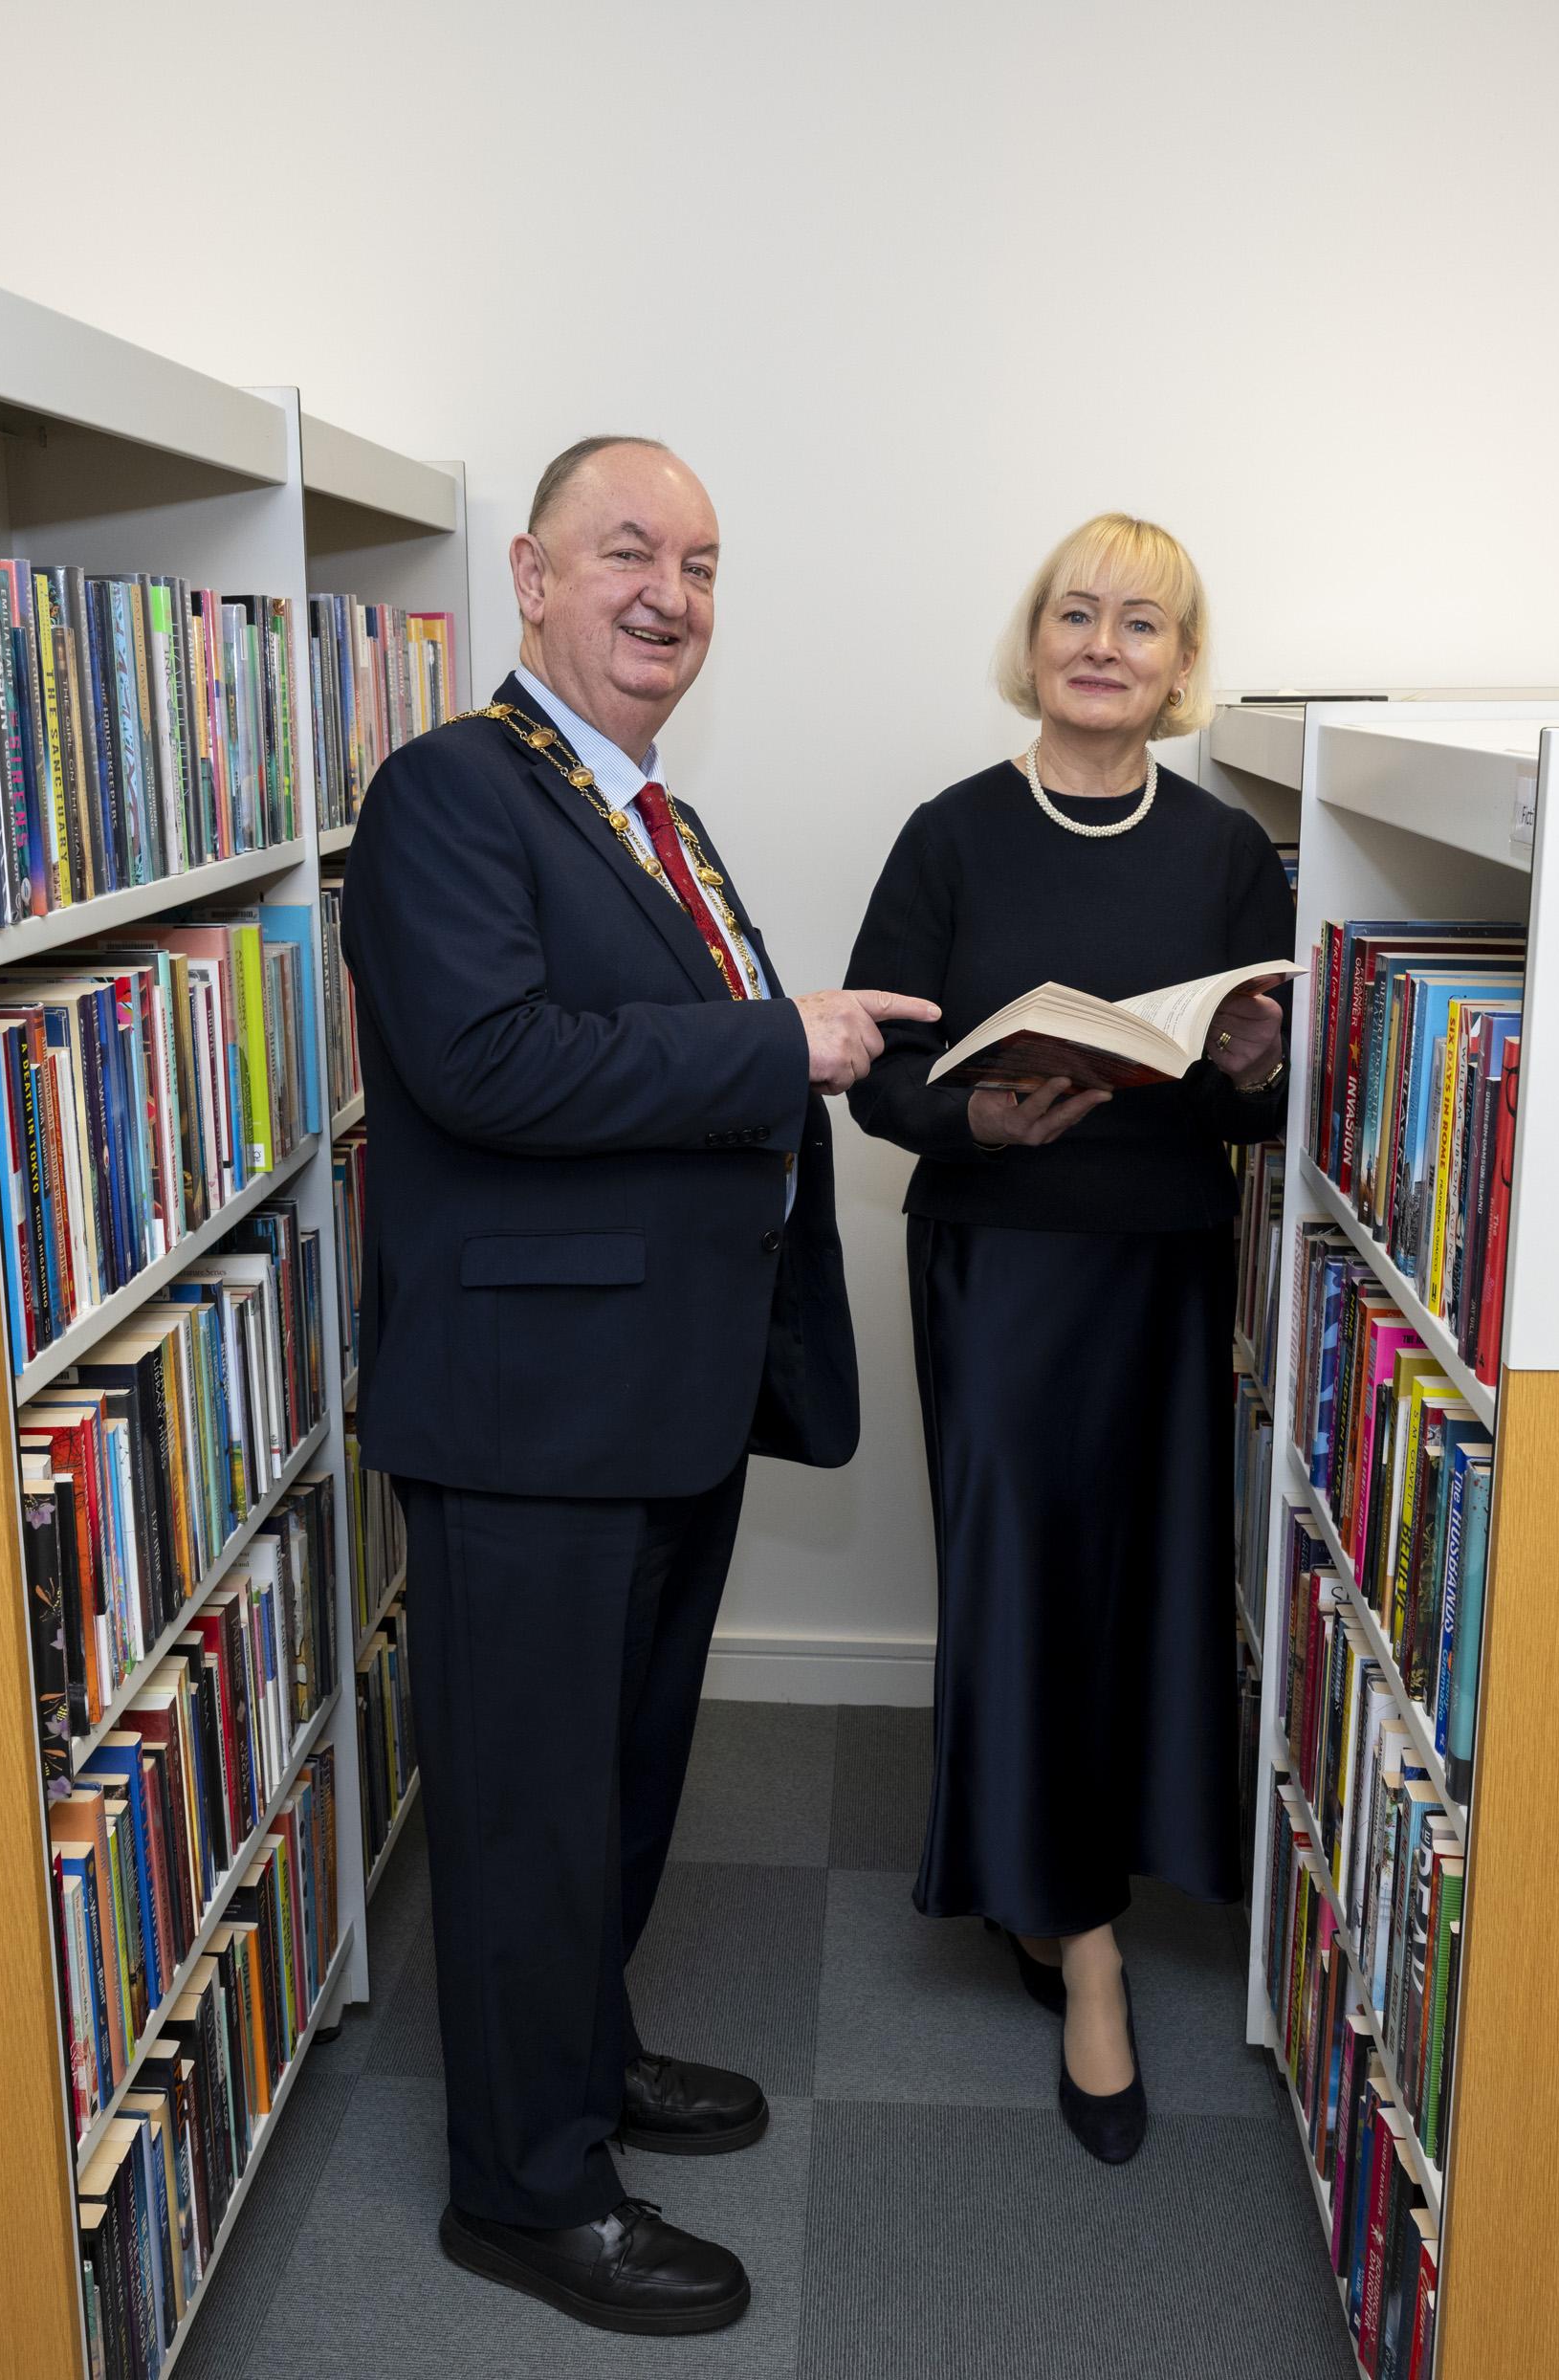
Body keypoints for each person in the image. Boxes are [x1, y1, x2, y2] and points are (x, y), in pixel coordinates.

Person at [340, 435, 938, 2333]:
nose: (669, 591)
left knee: (614, 1779)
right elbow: (493, 1064)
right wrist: (785, 1040)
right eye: (626, 551)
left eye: (699, 561)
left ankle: (578, 2060)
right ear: (529, 573)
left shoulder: (647, 817)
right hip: (531, 1408)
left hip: (656, 1392)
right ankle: (524, 2189)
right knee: (525, 1801)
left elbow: (650, 1053)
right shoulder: (448, 791)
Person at [841, 513, 1292, 2165]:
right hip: (1003, 1271)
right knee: (1025, 1591)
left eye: (1144, 626)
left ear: (1181, 668)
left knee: (1144, 1598)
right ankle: (1083, 1956)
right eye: (1077, 614)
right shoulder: (951, 836)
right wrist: (980, 1118)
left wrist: (1247, 1065)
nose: (1105, 646)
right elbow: (880, 1071)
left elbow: (1268, 1116)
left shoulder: (1228, 850)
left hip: (1162, 1272)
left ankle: (1055, 1888)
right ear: (1034, 640)